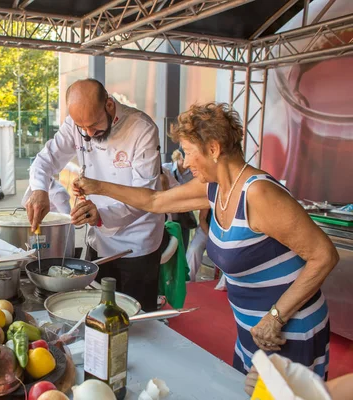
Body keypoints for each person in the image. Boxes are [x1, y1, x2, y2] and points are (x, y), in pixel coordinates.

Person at [73, 102, 338, 377]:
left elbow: (324, 255)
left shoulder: (258, 194)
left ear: (213, 149)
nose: (185, 162)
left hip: (287, 330)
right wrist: (98, 186)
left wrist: (275, 316)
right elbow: (154, 200)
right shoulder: (215, 188)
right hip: (252, 329)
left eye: (188, 152)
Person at [25, 78, 167, 311]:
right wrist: (40, 189)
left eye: (94, 124)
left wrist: (101, 214)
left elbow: (146, 197)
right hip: (98, 238)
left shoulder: (142, 129)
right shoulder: (77, 124)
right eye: (83, 129)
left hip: (138, 241)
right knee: (91, 309)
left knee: (135, 316)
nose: (89, 134)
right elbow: (46, 159)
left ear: (109, 105)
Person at [164, 149, 197, 250]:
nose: (186, 163)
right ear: (178, 158)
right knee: (170, 246)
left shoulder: (193, 172)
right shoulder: (166, 169)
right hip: (169, 214)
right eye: (183, 159)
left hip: (184, 213)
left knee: (184, 243)